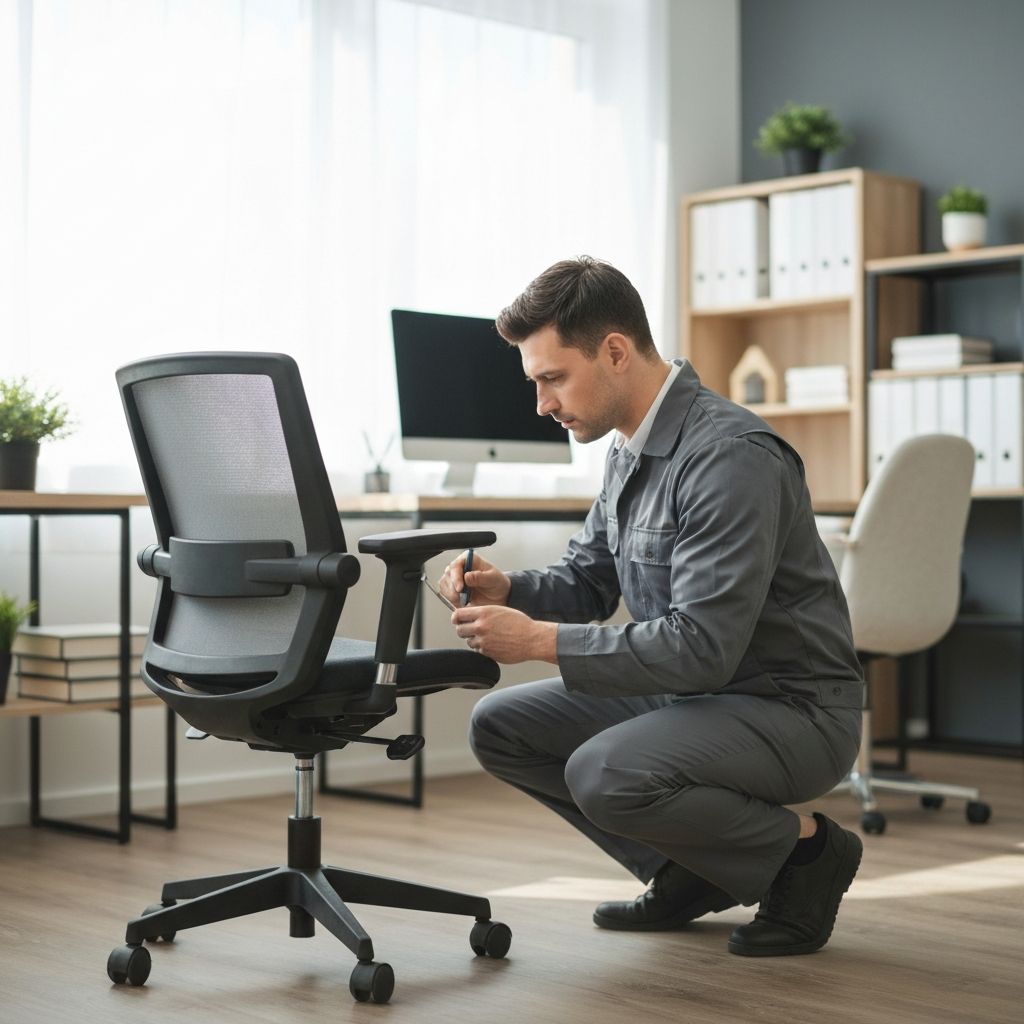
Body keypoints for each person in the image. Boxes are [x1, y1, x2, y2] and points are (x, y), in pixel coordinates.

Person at [438, 255, 865, 957]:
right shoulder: (629, 450)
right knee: (500, 727)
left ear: (613, 352)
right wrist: (508, 589)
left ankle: (808, 857)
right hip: (693, 699)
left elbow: (701, 646)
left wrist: (540, 641)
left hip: (793, 708)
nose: (541, 403)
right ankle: (688, 871)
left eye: (552, 378)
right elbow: (589, 579)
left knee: (606, 772)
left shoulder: (728, 456)